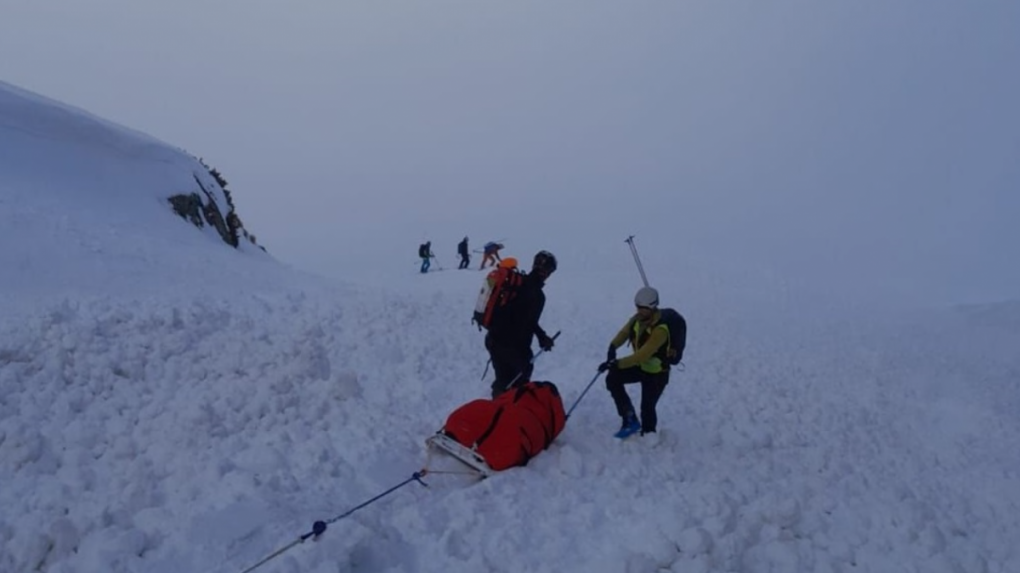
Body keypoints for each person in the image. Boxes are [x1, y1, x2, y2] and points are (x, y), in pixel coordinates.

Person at [598, 286, 671, 439]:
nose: (639, 311)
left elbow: (642, 355)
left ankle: (650, 436)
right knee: (613, 379)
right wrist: (612, 347)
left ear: (652, 307)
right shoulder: (637, 319)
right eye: (638, 307)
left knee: (647, 407)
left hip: (657, 373)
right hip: (642, 368)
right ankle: (629, 417)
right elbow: (624, 333)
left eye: (643, 308)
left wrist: (616, 363)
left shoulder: (661, 330)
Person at [485, 250, 557, 398]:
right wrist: (542, 337)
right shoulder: (538, 295)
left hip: (493, 339)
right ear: (548, 273)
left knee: (502, 380)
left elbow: (521, 317)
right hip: (514, 348)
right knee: (517, 386)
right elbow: (529, 322)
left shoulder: (516, 283)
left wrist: (541, 336)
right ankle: (506, 413)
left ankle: (496, 408)